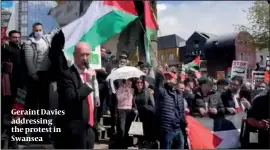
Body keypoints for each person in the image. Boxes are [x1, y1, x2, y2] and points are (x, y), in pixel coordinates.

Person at [55, 42, 99, 149]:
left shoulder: (90, 73)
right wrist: (88, 83)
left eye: (87, 55)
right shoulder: (66, 75)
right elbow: (71, 98)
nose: (85, 58)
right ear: (74, 55)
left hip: (89, 126)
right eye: (82, 55)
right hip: (73, 129)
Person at [23, 22, 60, 142]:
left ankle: (44, 134)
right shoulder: (29, 43)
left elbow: (54, 32)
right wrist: (33, 74)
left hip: (46, 74)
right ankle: (30, 134)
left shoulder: (46, 39)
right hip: (35, 75)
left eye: (40, 29)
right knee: (33, 104)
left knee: (45, 104)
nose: (39, 32)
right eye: (36, 30)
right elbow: (29, 60)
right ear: (33, 30)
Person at [1, 30, 24, 148]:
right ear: (10, 38)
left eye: (18, 37)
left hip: (20, 88)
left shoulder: (21, 50)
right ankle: (7, 138)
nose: (17, 39)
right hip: (8, 87)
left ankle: (15, 139)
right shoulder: (5, 48)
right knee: (7, 113)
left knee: (18, 113)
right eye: (14, 37)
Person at [155, 66, 187, 149]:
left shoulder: (179, 93)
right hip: (167, 128)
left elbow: (181, 111)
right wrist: (159, 74)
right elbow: (157, 85)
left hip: (179, 128)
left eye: (171, 76)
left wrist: (184, 124)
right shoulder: (163, 91)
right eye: (167, 77)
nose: (168, 78)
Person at [115, 79, 134, 148]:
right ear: (125, 82)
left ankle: (126, 144)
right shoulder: (120, 88)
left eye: (130, 81)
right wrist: (125, 92)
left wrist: (129, 91)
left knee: (128, 128)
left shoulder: (132, 89)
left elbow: (132, 100)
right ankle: (120, 144)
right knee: (121, 128)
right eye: (128, 81)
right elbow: (119, 98)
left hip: (129, 110)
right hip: (122, 109)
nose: (130, 82)